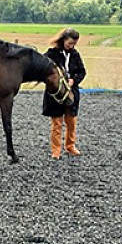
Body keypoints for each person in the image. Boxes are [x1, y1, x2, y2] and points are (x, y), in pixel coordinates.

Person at [42, 27, 86, 159]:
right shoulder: (51, 54)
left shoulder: (75, 55)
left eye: (74, 44)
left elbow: (82, 71)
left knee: (71, 121)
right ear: (64, 40)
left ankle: (70, 146)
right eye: (70, 43)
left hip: (71, 92)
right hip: (56, 93)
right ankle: (56, 151)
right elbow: (43, 69)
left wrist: (74, 80)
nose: (71, 46)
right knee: (57, 123)